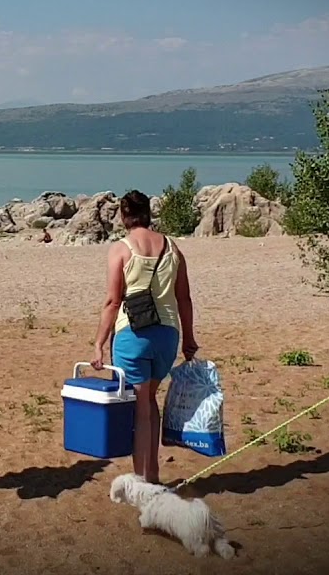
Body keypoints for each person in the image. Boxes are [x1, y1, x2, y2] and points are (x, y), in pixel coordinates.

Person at [90, 190, 198, 484]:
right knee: (149, 402)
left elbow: (113, 302)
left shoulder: (121, 249)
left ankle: (143, 483)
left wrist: (98, 344)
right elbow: (184, 299)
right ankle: (154, 476)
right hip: (167, 335)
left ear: (124, 216)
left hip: (133, 335)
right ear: (149, 213)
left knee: (140, 410)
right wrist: (189, 339)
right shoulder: (174, 248)